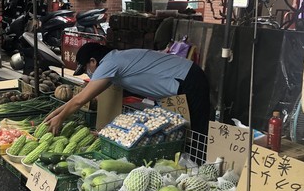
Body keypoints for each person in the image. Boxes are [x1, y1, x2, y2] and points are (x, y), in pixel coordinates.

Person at [45, 42, 211, 135]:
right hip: (182, 79)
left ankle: (200, 168)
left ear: (93, 61)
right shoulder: (115, 60)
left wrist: (60, 118)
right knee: (182, 129)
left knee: (196, 131)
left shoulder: (109, 64)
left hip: (188, 78)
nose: (89, 73)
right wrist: (55, 114)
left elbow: (80, 100)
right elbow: (81, 97)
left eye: (87, 68)